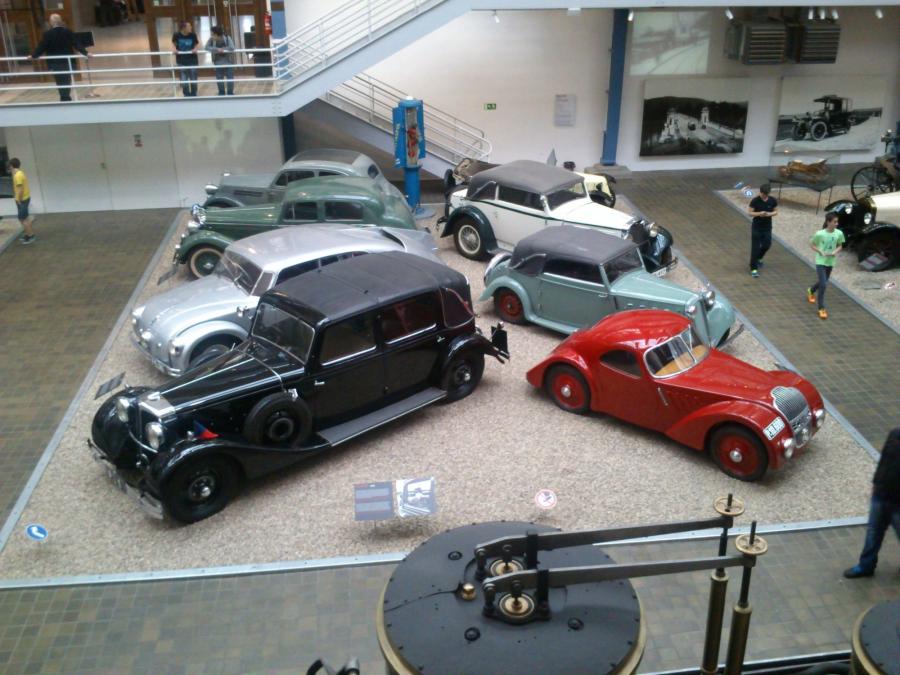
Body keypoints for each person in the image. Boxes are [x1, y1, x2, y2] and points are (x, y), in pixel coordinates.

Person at [844, 428, 900, 578]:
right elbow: (884, 461)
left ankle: (865, 566)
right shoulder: (895, 435)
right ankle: (865, 566)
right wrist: (876, 483)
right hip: (881, 495)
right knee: (873, 533)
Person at [29, 14, 88, 102]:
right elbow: (77, 44)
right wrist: (86, 53)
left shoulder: (47, 34)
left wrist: (33, 56)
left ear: (51, 22)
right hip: (67, 61)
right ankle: (65, 97)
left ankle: (64, 98)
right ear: (60, 21)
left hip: (55, 62)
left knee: (59, 80)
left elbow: (42, 47)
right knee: (67, 79)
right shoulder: (68, 32)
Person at [806, 212, 845, 320]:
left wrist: (835, 252)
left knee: (824, 281)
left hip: (830, 261)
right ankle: (821, 308)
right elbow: (812, 244)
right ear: (828, 222)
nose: (837, 224)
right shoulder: (820, 234)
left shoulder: (839, 233)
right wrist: (820, 251)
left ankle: (811, 290)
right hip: (820, 261)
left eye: (837, 222)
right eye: (834, 222)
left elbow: (840, 246)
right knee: (823, 284)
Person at [747, 183, 778, 278]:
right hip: (757, 227)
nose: (764, 196)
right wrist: (759, 213)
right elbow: (750, 213)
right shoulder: (755, 201)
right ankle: (753, 268)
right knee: (755, 248)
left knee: (767, 244)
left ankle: (759, 257)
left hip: (767, 227)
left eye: (766, 194)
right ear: (760, 192)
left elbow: (776, 211)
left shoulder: (772, 200)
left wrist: (769, 214)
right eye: (763, 194)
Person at [10, 158, 35, 245]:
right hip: (24, 199)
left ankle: (31, 236)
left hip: (22, 200)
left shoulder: (17, 176)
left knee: (22, 219)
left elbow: (20, 189)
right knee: (25, 218)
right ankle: (29, 234)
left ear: (11, 166)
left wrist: (19, 200)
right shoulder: (20, 173)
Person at [172, 21, 199, 97]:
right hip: (181, 60)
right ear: (183, 28)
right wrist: (174, 49)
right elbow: (174, 44)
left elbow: (196, 44)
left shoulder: (193, 35)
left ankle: (194, 94)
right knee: (184, 79)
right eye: (189, 26)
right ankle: (186, 94)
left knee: (193, 77)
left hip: (192, 60)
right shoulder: (176, 35)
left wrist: (195, 49)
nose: (191, 27)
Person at [205, 25, 235, 96]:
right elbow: (206, 47)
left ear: (216, 34)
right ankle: (221, 93)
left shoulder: (227, 38)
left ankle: (230, 93)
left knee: (230, 78)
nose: (211, 35)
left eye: (212, 34)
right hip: (217, 62)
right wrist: (216, 49)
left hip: (228, 62)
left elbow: (232, 47)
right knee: (219, 78)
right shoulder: (211, 39)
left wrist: (223, 49)